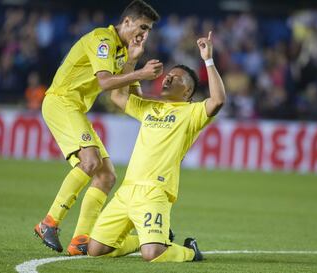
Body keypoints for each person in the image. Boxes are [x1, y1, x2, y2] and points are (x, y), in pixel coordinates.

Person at [34, 0, 162, 255]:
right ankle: (49, 223)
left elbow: (125, 95)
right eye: (141, 27)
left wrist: (134, 63)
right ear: (126, 22)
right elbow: (105, 83)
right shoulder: (102, 39)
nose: (144, 34)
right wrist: (140, 73)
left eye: (148, 30)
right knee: (91, 162)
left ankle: (80, 239)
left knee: (106, 176)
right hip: (61, 101)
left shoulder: (123, 52)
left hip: (75, 108)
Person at [87, 31, 226, 262]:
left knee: (152, 255)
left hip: (155, 192)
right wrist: (132, 59)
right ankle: (142, 240)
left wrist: (208, 59)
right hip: (127, 190)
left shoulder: (192, 113)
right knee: (96, 250)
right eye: (168, 75)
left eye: (177, 78)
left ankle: (190, 251)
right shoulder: (150, 108)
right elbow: (117, 97)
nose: (168, 78)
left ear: (188, 92)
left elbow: (218, 100)